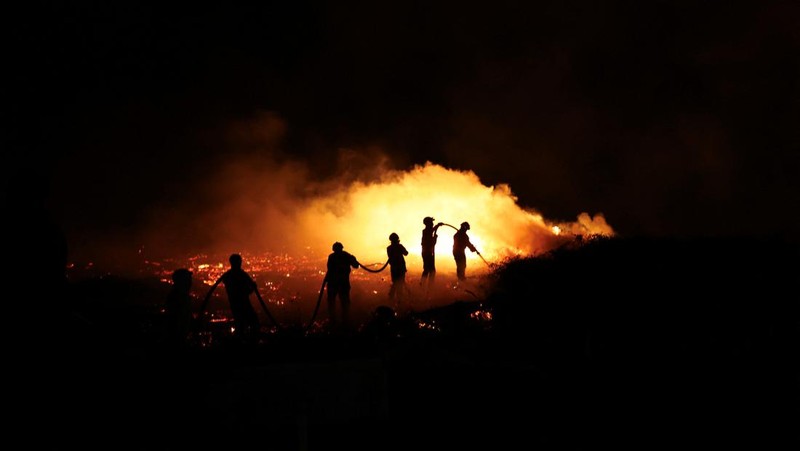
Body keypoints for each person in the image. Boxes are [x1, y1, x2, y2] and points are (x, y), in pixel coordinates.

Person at [200, 253, 261, 342]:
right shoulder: (241, 275)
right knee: (252, 323)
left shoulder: (228, 275)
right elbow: (244, 292)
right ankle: (250, 343)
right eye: (239, 261)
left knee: (241, 325)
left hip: (234, 305)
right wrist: (253, 288)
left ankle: (243, 341)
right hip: (244, 304)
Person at [326, 242, 360, 331]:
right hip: (342, 283)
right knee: (344, 303)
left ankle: (333, 322)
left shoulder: (332, 256)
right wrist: (353, 259)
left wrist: (353, 259)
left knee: (332, 302)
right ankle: (344, 322)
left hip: (333, 283)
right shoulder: (346, 256)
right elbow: (356, 265)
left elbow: (329, 269)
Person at [163, 268, 194, 349]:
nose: (190, 282)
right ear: (182, 282)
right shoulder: (177, 298)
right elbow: (175, 321)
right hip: (177, 342)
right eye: (188, 279)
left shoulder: (183, 297)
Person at [386, 232, 409, 312]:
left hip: (394, 268)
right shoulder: (400, 246)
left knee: (395, 282)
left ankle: (391, 297)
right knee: (400, 283)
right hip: (401, 267)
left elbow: (390, 259)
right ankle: (399, 300)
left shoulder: (389, 248)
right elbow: (406, 253)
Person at [420, 216, 444, 288]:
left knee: (429, 270)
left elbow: (432, 230)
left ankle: (424, 284)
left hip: (428, 252)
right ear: (428, 223)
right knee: (430, 270)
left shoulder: (427, 231)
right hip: (427, 253)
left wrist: (437, 226)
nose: (432, 224)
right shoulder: (426, 231)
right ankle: (427, 285)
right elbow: (431, 243)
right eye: (431, 222)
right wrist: (435, 238)